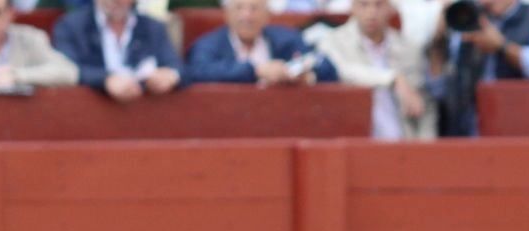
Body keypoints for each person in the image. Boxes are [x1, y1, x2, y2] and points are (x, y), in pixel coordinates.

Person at [429, 0, 529, 136]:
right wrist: (440, 39)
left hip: (520, 128)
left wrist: (502, 46)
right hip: (468, 130)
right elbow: (440, 88)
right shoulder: (469, 16)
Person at [318, 0, 434, 138]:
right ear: (353, 8)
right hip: (356, 145)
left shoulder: (408, 49)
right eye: (364, 4)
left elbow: (423, 106)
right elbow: (340, 70)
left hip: (403, 144)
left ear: (390, 8)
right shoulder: (333, 42)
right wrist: (393, 78)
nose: (371, 12)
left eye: (379, 5)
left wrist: (425, 149)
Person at [184, 0, 338, 85]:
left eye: (254, 9)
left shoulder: (286, 39)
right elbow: (197, 71)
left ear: (267, 16)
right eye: (239, 8)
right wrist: (256, 71)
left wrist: (303, 75)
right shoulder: (208, 44)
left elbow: (324, 64)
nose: (247, 16)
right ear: (227, 14)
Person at [52, 0, 182, 101]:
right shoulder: (71, 25)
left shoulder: (153, 27)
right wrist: (105, 79)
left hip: (145, 117)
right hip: (90, 116)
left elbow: (179, 67)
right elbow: (67, 67)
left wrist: (170, 75)